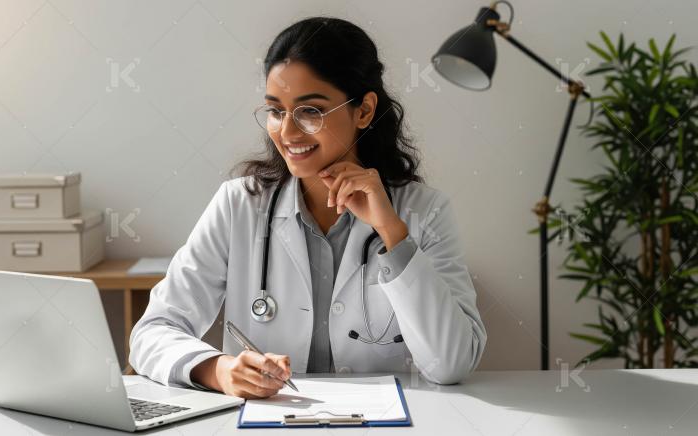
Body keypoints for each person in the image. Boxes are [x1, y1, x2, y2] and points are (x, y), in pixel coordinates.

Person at [130, 16, 486, 399]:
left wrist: (394, 236)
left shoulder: (424, 211)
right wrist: (220, 370)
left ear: (364, 111)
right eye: (276, 111)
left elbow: (452, 364)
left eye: (310, 111)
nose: (287, 132)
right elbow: (151, 332)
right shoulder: (239, 204)